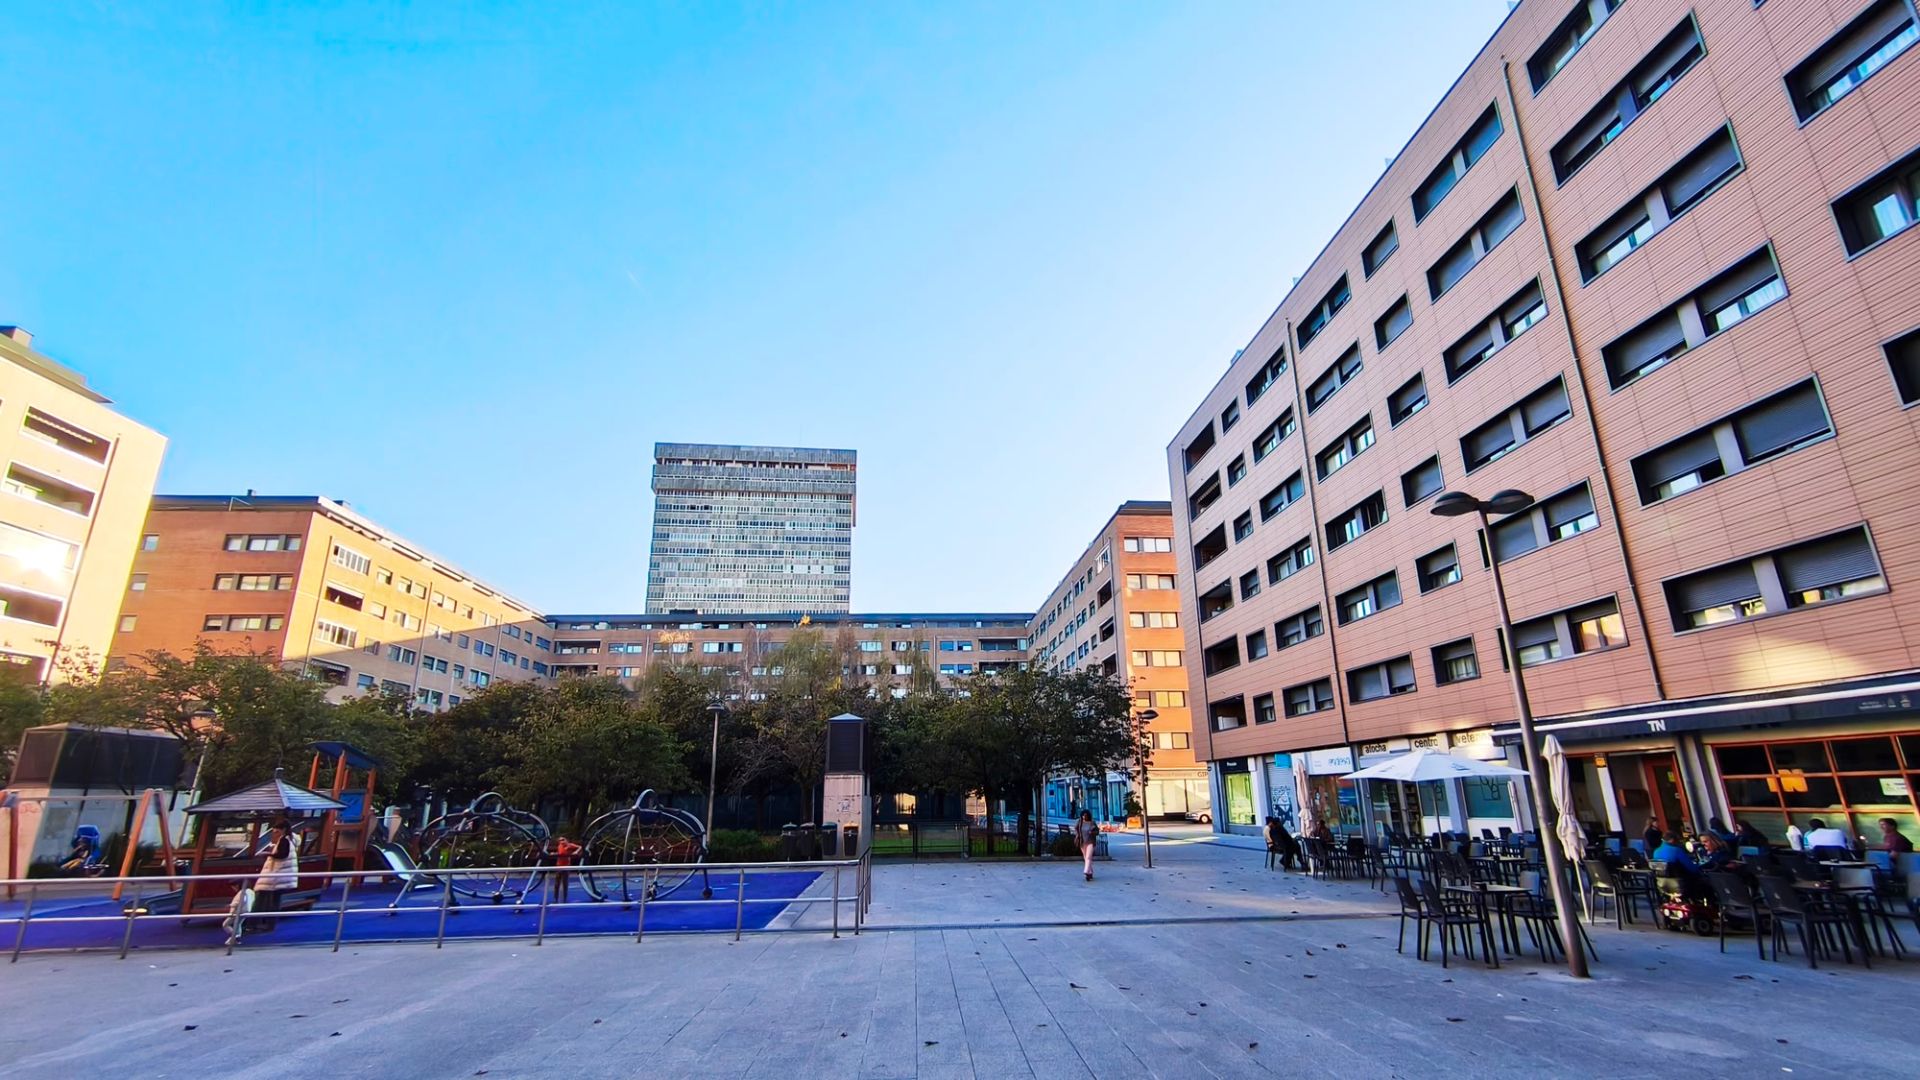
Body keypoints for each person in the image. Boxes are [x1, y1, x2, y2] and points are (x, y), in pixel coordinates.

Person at [252, 817, 300, 932]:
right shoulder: (291, 839)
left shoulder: (284, 840)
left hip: (278, 875)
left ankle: (265, 924)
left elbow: (282, 855)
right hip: (284, 876)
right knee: (274, 900)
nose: (276, 834)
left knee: (270, 900)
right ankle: (268, 924)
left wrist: (268, 854)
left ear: (283, 829)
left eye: (277, 831)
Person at [548, 834, 582, 902]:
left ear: (566, 840)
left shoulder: (570, 845)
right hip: (559, 866)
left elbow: (580, 847)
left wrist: (576, 851)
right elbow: (561, 853)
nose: (561, 841)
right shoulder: (560, 846)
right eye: (560, 840)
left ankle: (565, 898)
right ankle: (555, 898)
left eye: (563, 840)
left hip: (566, 866)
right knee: (557, 883)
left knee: (565, 883)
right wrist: (554, 853)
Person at [1074, 810, 1099, 882]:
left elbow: (1097, 832)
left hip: (1090, 842)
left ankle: (1086, 871)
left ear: (1088, 816)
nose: (1084, 817)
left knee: (1088, 857)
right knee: (1086, 857)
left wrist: (1092, 832)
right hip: (1082, 842)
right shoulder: (1080, 822)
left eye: (1085, 815)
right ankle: (1090, 873)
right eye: (1083, 815)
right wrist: (1077, 834)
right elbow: (1076, 828)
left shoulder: (1092, 823)